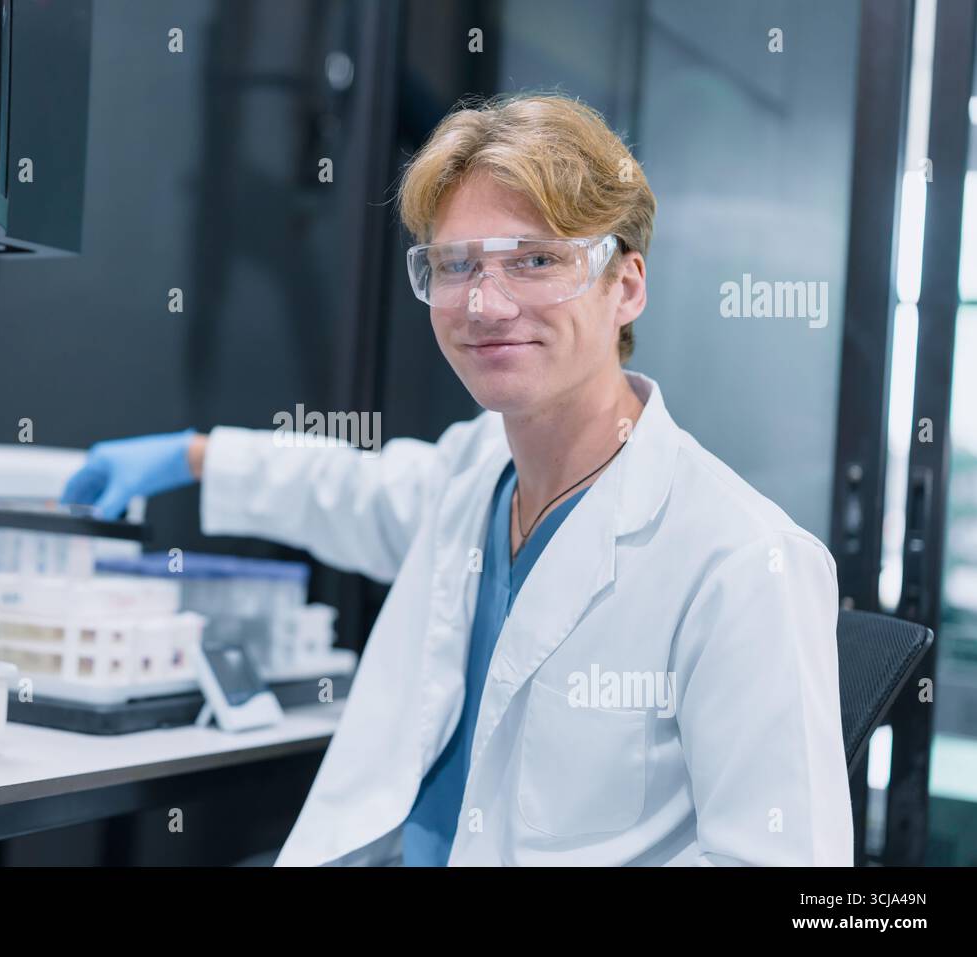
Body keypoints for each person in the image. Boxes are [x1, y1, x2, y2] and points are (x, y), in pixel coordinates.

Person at [63, 93, 853, 866]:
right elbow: (351, 490)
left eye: (537, 259)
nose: (485, 301)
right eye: (457, 264)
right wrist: (192, 454)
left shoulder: (745, 563)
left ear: (628, 285)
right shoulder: (476, 472)